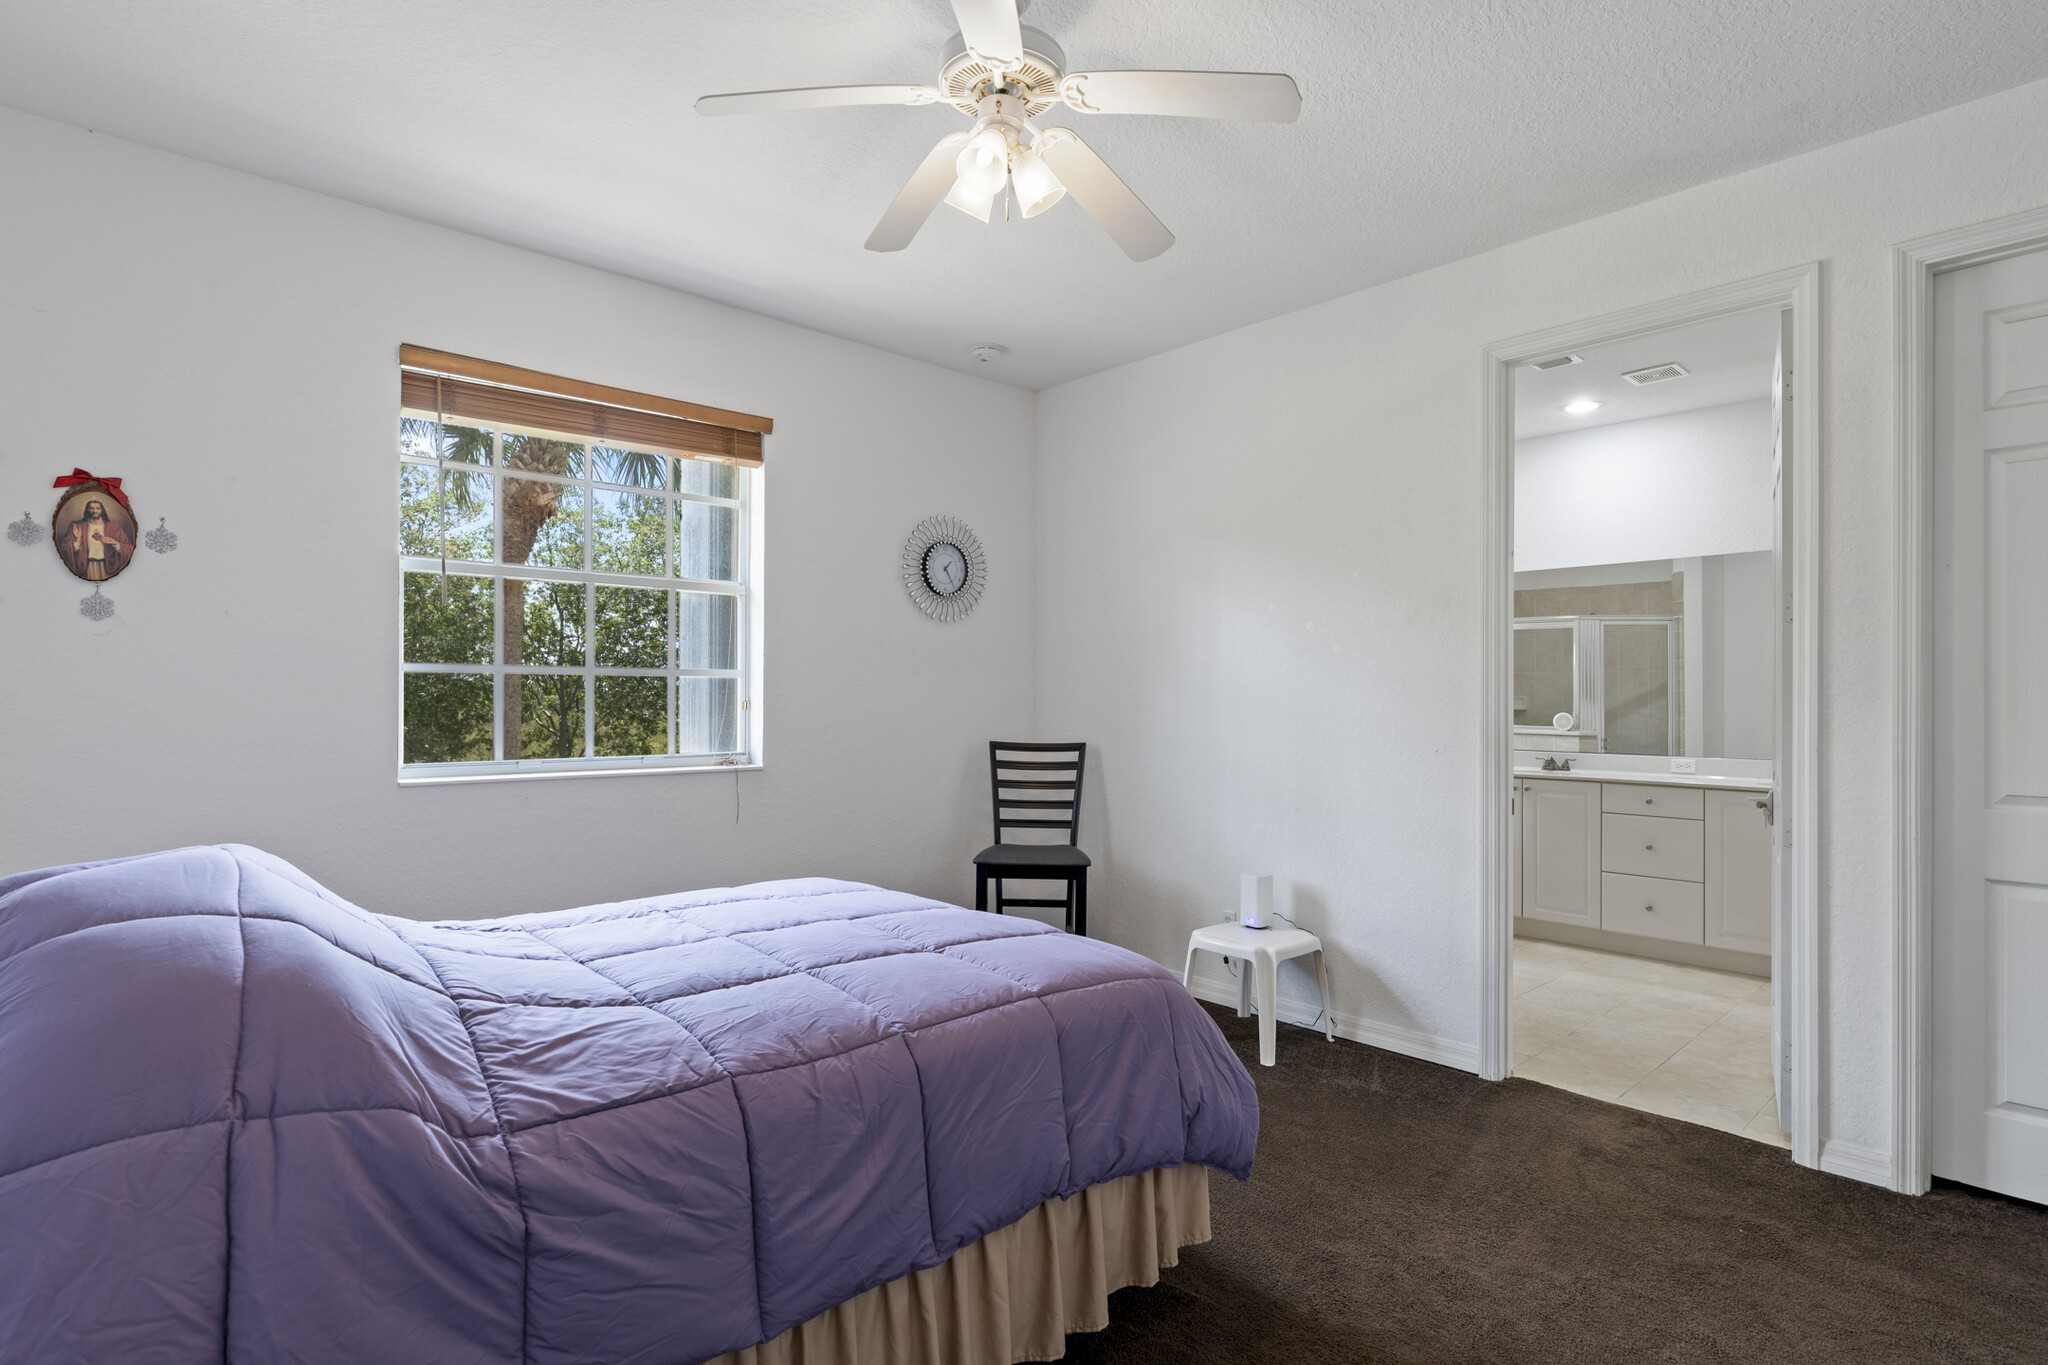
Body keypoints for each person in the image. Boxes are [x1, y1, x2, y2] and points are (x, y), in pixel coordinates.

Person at [59, 497, 133, 581]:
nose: (95, 511)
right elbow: (64, 548)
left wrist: (115, 543)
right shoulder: (77, 526)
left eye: (98, 508)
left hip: (107, 567)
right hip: (86, 567)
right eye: (91, 508)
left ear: (102, 510)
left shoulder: (114, 527)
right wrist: (77, 540)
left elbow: (129, 548)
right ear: (87, 510)